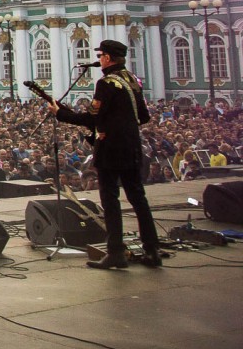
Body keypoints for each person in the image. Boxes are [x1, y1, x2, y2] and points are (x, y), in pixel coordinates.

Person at [49, 40, 161, 269]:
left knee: (110, 201)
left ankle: (115, 253)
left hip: (111, 150)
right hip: (132, 147)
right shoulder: (132, 81)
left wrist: (60, 113)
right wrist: (118, 126)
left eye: (101, 56)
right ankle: (152, 250)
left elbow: (91, 118)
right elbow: (143, 117)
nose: (99, 60)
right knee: (138, 199)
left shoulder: (106, 83)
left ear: (108, 58)